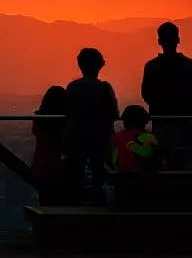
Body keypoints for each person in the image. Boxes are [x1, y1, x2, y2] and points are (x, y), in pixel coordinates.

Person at [141, 22, 192, 170]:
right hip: (183, 123)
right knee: (183, 167)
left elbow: (146, 94)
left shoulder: (151, 66)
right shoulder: (190, 65)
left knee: (160, 167)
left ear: (159, 42)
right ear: (178, 40)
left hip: (160, 123)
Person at [63, 48, 119, 204]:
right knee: (98, 180)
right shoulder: (104, 88)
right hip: (100, 139)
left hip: (76, 139)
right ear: (99, 65)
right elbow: (114, 113)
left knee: (76, 179)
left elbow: (67, 111)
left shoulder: (73, 87)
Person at [31, 86, 67, 204]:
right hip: (58, 169)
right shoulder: (63, 124)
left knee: (45, 201)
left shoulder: (39, 120)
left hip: (41, 166)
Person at [111, 105, 160, 174]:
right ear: (144, 121)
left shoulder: (115, 138)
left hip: (119, 177)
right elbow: (157, 161)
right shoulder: (149, 137)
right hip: (142, 178)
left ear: (125, 121)